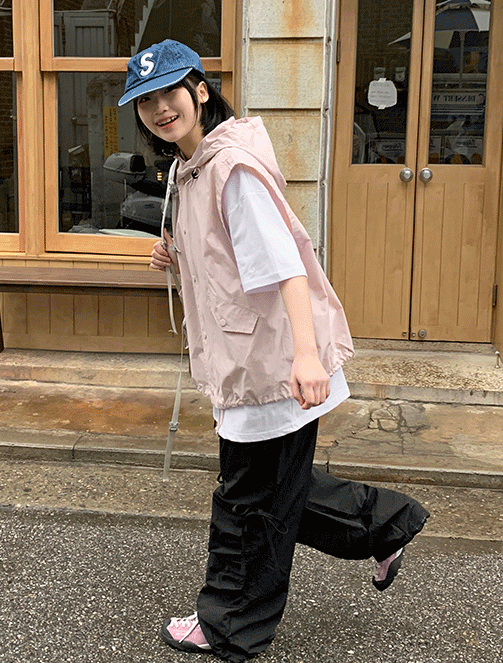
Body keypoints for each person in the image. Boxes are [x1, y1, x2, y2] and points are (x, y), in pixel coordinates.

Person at [118, 39, 428, 662]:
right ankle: (386, 524)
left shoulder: (230, 169)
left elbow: (286, 265)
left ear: (200, 90)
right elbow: (225, 252)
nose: (159, 109)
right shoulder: (189, 166)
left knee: (247, 501)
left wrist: (306, 357)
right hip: (246, 357)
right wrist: (174, 252)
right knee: (278, 487)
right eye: (146, 102)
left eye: (170, 93)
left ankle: (232, 625)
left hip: (271, 363)